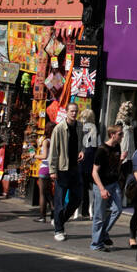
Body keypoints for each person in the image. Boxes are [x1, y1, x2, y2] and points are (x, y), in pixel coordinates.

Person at [49, 102, 83, 241]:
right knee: (60, 202)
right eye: (71, 111)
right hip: (62, 169)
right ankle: (58, 230)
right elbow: (54, 151)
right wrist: (52, 170)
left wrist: (82, 151)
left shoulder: (80, 126)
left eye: (76, 111)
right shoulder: (59, 129)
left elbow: (81, 144)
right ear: (67, 112)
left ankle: (59, 220)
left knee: (77, 199)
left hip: (75, 168)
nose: (74, 113)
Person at [90, 124, 124, 252]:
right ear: (112, 135)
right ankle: (95, 243)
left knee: (118, 209)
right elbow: (94, 172)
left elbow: (115, 165)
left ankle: (102, 233)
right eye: (120, 134)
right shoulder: (101, 150)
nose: (122, 136)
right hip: (102, 185)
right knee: (99, 215)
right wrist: (102, 189)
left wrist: (121, 160)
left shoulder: (118, 147)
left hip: (114, 183)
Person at [77, 108, 99, 221]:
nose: (83, 119)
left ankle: (82, 210)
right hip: (89, 158)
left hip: (85, 158)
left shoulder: (85, 128)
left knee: (83, 184)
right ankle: (87, 210)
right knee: (88, 185)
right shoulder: (92, 129)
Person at [35, 133, 53, 223]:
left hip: (44, 168)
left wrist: (33, 155)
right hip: (51, 168)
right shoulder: (55, 141)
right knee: (48, 193)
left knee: (42, 194)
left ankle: (42, 216)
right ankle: (54, 212)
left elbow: (44, 156)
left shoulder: (46, 141)